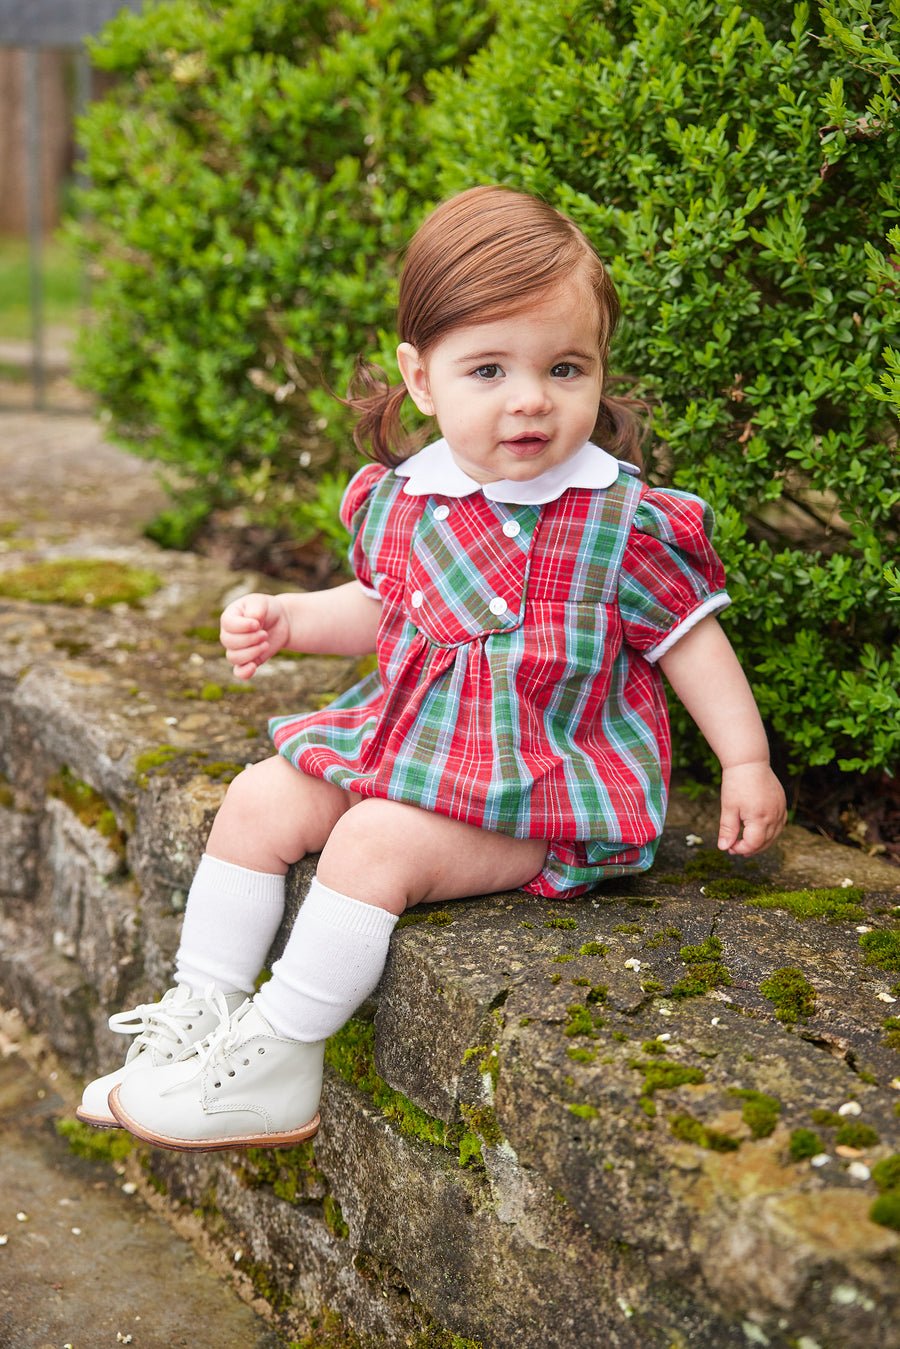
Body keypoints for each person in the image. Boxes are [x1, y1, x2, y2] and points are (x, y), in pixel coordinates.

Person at [78, 185, 786, 1151]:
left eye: (564, 366)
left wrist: (745, 761)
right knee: (257, 797)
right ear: (422, 378)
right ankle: (196, 1018)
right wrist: (289, 619)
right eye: (488, 368)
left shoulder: (620, 519)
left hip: (541, 793)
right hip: (413, 749)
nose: (530, 397)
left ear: (599, 371)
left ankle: (278, 1063)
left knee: (372, 840)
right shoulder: (411, 497)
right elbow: (382, 609)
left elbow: (689, 639)